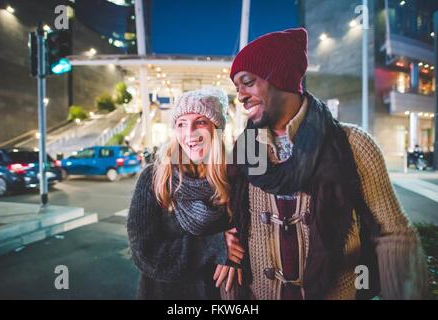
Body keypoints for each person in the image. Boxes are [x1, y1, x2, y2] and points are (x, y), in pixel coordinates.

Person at [220, 28, 428, 300]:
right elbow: (228, 217)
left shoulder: (352, 144)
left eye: (247, 82)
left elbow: (394, 234)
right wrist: (222, 238)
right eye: (238, 88)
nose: (242, 96)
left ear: (280, 77)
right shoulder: (246, 148)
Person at [127, 88, 244, 299]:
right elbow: (145, 254)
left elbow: (247, 234)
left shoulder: (234, 178)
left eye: (200, 122)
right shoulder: (154, 178)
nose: (190, 133)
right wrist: (214, 246)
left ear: (217, 128)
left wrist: (236, 256)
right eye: (181, 124)